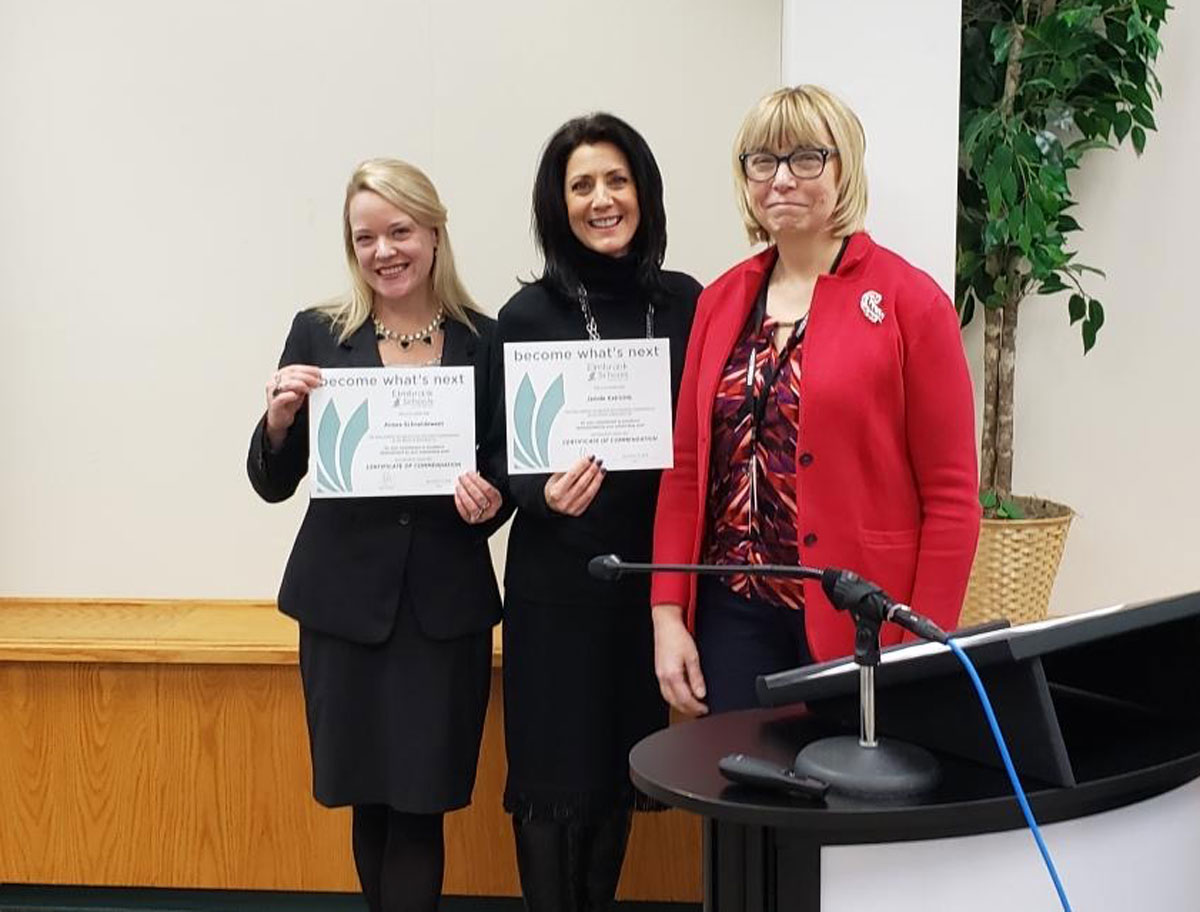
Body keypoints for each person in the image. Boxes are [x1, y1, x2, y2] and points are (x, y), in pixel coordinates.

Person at [650, 85, 981, 717]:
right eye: (762, 161)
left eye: (806, 158)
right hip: (732, 618)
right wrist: (669, 613)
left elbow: (951, 498)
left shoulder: (912, 304)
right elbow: (686, 471)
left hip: (859, 620)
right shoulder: (719, 301)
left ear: (843, 168)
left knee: (845, 807)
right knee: (739, 806)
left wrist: (921, 646)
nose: (782, 179)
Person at [246, 159, 510, 912]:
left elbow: (503, 480)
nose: (384, 250)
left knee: (422, 805)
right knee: (368, 801)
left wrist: (487, 501)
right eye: (366, 237)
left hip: (441, 615)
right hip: (343, 613)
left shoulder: (485, 342)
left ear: (434, 233)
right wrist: (278, 419)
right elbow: (273, 480)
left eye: (400, 231)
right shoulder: (319, 332)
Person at [497, 113, 700, 911]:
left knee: (619, 775)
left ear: (642, 192)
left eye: (616, 180)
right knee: (552, 787)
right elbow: (497, 456)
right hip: (557, 584)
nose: (601, 199)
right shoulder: (526, 318)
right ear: (559, 203)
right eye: (582, 185)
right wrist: (536, 492)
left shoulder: (689, 303)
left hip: (651, 588)